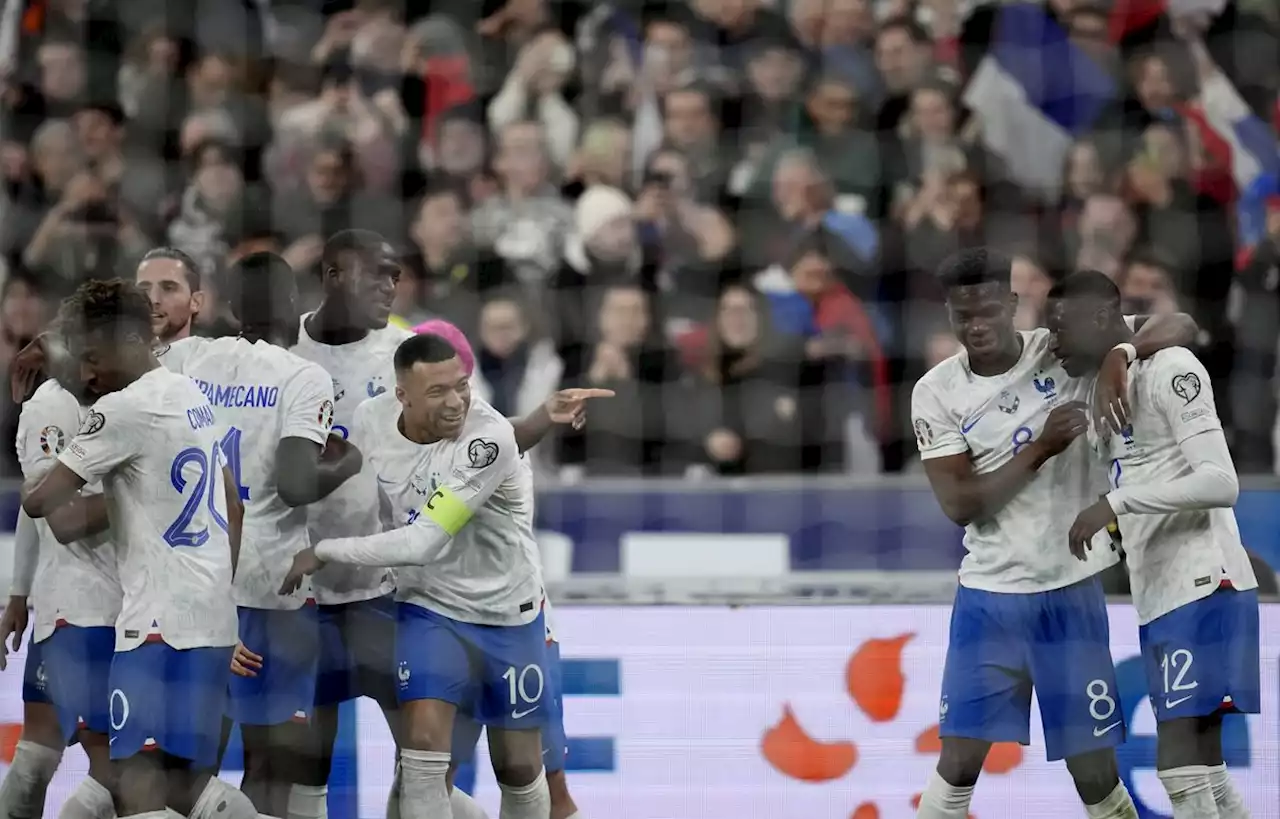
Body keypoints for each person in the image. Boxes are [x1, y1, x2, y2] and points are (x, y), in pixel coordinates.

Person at [909, 248, 1199, 819]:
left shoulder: (1062, 347)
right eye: (963, 316)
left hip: (1070, 592)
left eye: (989, 311)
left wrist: (1119, 352)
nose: (977, 326)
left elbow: (1182, 326)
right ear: (949, 316)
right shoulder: (937, 391)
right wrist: (1040, 447)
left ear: (1013, 305)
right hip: (990, 598)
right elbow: (959, 504)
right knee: (960, 762)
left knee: (1093, 772)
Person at [278, 333, 552, 819]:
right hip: (429, 609)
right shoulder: (371, 419)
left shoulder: (487, 441)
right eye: (438, 392)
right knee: (422, 751)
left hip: (507, 613)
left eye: (461, 386)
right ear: (401, 395)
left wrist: (322, 551)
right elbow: (368, 501)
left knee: (517, 767)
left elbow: (423, 542)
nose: (456, 402)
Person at [19, 278, 255, 819]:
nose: (86, 374)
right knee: (189, 790)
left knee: (137, 789)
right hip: (212, 623)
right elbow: (233, 507)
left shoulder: (119, 413)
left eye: (92, 359)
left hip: (155, 630)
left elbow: (40, 504)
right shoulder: (191, 393)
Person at [156, 252, 365, 817]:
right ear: (296, 308)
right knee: (269, 774)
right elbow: (296, 484)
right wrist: (349, 464)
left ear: (227, 307)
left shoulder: (188, 358)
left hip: (196, 586)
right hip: (271, 588)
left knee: (191, 774)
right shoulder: (302, 377)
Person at [1050, 270, 1257, 819]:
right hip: (1162, 591)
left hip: (1204, 584)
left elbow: (1222, 483)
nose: (1051, 344)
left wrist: (1115, 506)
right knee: (1207, 777)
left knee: (1181, 772)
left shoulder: (1171, 368)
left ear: (1099, 321)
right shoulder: (1099, 385)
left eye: (1059, 330)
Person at [409, 318, 590, 819]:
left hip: (517, 626)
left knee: (542, 785)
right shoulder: (410, 435)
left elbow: (423, 533)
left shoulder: (491, 441)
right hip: (446, 622)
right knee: (423, 780)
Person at [286, 229, 417, 819]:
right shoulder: (281, 354)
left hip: (384, 585)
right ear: (334, 276)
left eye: (396, 276)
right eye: (377, 274)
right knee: (307, 756)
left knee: (421, 748)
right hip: (297, 588)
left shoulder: (408, 353)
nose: (391, 287)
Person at [0, 366, 121, 819]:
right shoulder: (52, 405)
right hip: (83, 608)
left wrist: (17, 595)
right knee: (113, 771)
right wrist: (18, 593)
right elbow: (48, 508)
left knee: (42, 759)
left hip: (111, 605)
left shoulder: (145, 387)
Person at [136, 246, 207, 344]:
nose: (153, 300)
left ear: (196, 302)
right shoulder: (114, 356)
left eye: (168, 288)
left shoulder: (215, 356)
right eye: (143, 290)